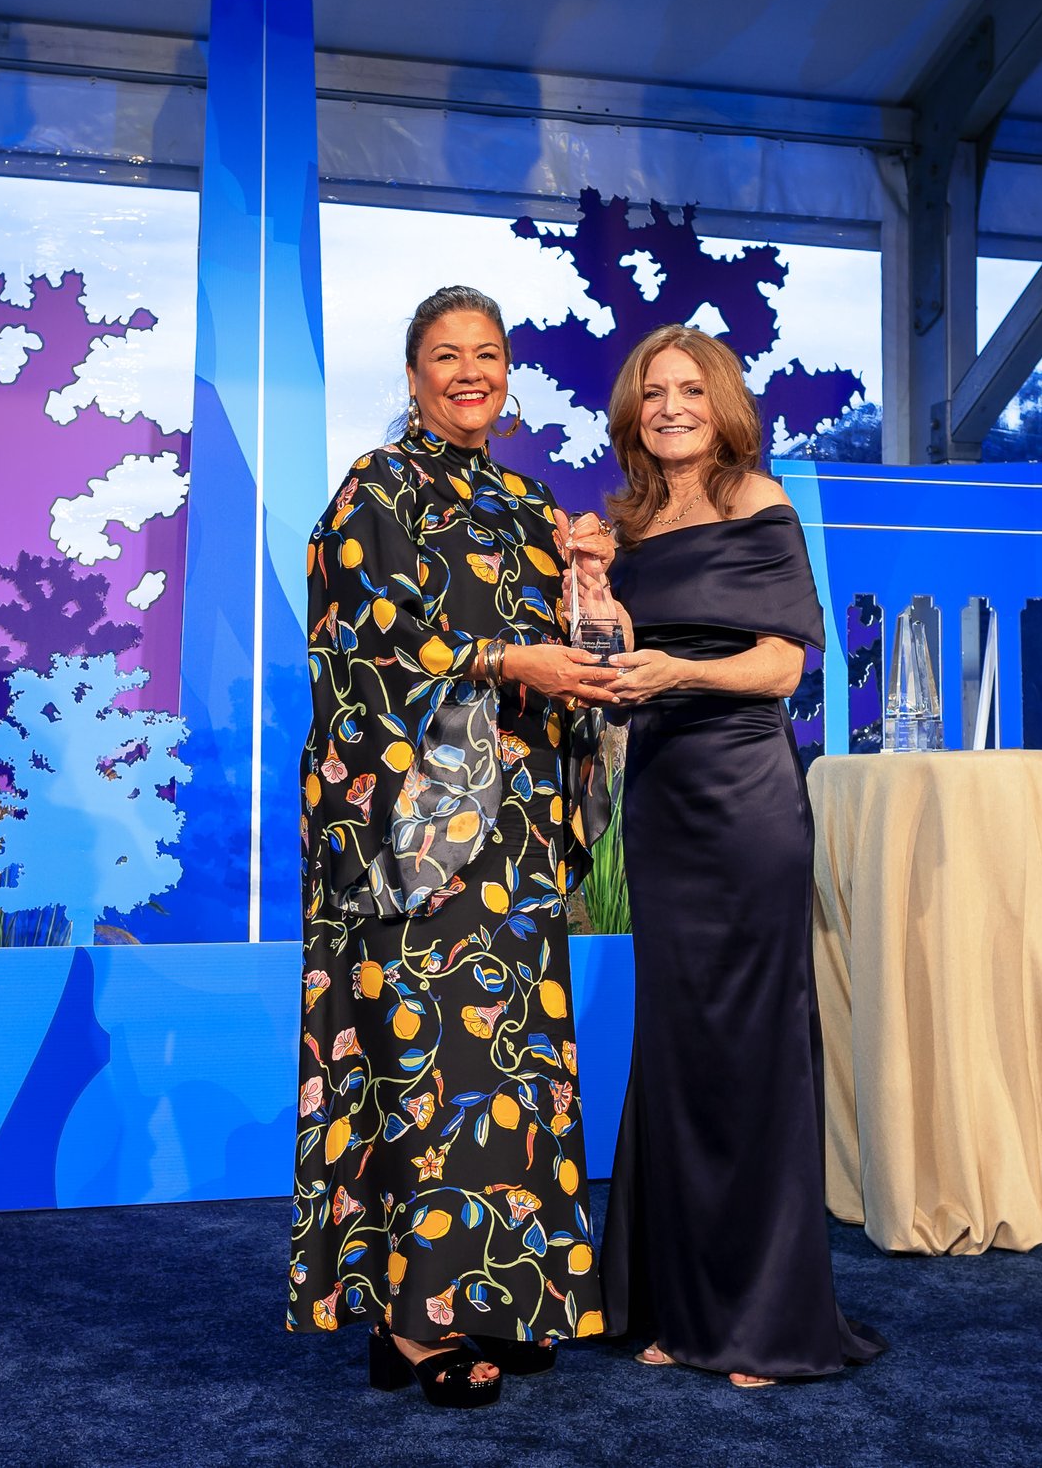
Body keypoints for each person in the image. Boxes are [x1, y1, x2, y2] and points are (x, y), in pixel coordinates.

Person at [287, 285, 618, 1409]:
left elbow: (576, 650)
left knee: (511, 1064)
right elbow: (363, 646)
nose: (469, 372)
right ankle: (414, 1325)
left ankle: (500, 1293)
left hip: (516, 822)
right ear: (413, 373)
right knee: (422, 1064)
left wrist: (587, 582)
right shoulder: (374, 488)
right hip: (415, 830)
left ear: (507, 373)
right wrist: (502, 662)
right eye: (445, 355)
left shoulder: (529, 501)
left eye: (486, 354)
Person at [578, 322, 883, 1388]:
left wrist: (677, 673)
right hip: (661, 799)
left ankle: (765, 1319)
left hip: (746, 797)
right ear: (633, 410)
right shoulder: (627, 522)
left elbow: (780, 667)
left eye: (690, 390)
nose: (671, 407)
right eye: (653, 391)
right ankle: (679, 1304)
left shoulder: (759, 501)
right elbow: (613, 657)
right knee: (676, 1046)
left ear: (723, 405)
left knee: (750, 1047)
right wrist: (594, 598)